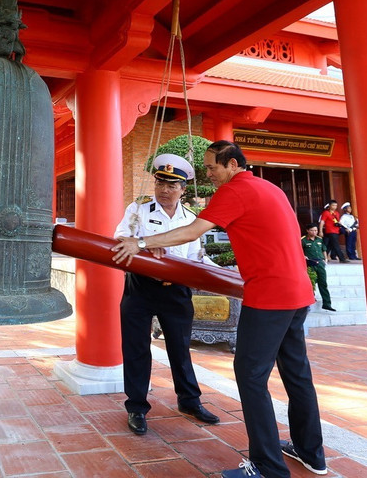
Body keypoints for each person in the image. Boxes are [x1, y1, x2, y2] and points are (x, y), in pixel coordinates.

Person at [112, 141, 326, 478]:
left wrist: (141, 243)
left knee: (251, 377)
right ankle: (310, 451)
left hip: (268, 295)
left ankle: (268, 467)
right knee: (297, 374)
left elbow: (194, 233)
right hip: (297, 292)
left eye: (211, 167)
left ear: (231, 164)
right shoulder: (268, 187)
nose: (207, 174)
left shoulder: (234, 190)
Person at [113, 153, 220, 436]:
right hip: (140, 289)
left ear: (183, 190)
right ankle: (136, 407)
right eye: (161, 182)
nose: (164, 189)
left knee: (180, 348)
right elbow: (120, 238)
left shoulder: (191, 219)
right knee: (136, 349)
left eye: (172, 185)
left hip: (177, 292)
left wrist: (228, 276)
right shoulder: (138, 210)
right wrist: (146, 248)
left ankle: (189, 401)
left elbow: (198, 256)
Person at [302, 224, 334, 311]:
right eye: (312, 230)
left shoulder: (319, 239)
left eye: (316, 230)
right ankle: (310, 300)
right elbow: (299, 250)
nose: (314, 232)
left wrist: (325, 259)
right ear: (307, 230)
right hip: (310, 263)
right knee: (311, 282)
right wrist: (304, 257)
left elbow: (323, 249)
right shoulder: (303, 240)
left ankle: (327, 303)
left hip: (320, 262)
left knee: (323, 283)